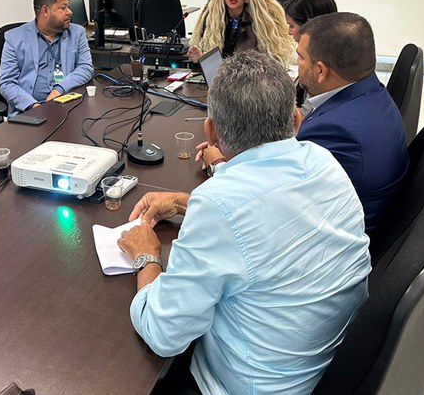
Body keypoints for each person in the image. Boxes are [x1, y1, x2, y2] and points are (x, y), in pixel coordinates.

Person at [118, 51, 370, 395]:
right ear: (297, 121)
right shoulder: (324, 161)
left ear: (212, 131)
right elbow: (266, 216)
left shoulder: (219, 205)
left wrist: (146, 257)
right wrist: (184, 202)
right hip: (322, 366)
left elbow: (163, 335)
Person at [294, 12, 409, 232]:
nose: (297, 63)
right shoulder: (373, 92)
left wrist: (222, 163)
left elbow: (280, 199)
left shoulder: (334, 131)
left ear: (320, 71)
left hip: (338, 246)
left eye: (300, 57)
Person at [0, 0, 94, 116]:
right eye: (63, 7)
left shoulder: (77, 33)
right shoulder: (14, 38)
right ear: (45, 11)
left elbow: (86, 68)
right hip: (29, 111)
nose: (70, 12)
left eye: (69, 6)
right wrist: (34, 106)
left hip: (67, 106)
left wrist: (59, 89)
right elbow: (6, 83)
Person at [186, 0, 293, 67]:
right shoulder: (211, 18)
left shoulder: (261, 22)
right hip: (219, 80)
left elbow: (270, 65)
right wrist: (200, 60)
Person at [283, 0, 338, 105]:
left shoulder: (320, 70)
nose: (289, 32)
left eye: (291, 26)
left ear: (309, 26)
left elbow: (303, 116)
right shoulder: (332, 53)